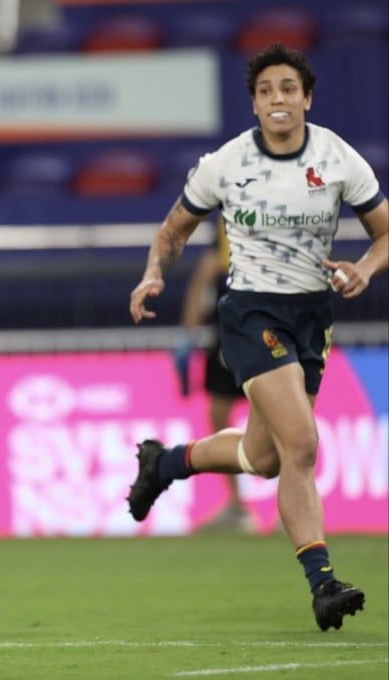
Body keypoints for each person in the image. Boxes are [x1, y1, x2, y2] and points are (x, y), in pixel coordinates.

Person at [127, 43, 387, 632]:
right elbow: (173, 231)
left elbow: (385, 233)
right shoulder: (226, 163)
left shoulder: (337, 157)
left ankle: (165, 463)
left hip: (312, 317)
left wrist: (367, 269)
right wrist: (153, 273)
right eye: (266, 90)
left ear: (307, 98)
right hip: (251, 314)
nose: (277, 99)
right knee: (302, 443)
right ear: (254, 103)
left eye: (288, 89)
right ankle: (323, 584)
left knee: (265, 458)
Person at [173, 218, 255, 534]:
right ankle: (238, 506)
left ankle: (284, 505)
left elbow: (205, 272)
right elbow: (207, 271)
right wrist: (189, 334)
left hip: (255, 330)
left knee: (275, 419)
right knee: (221, 415)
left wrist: (187, 333)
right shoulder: (228, 220)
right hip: (232, 334)